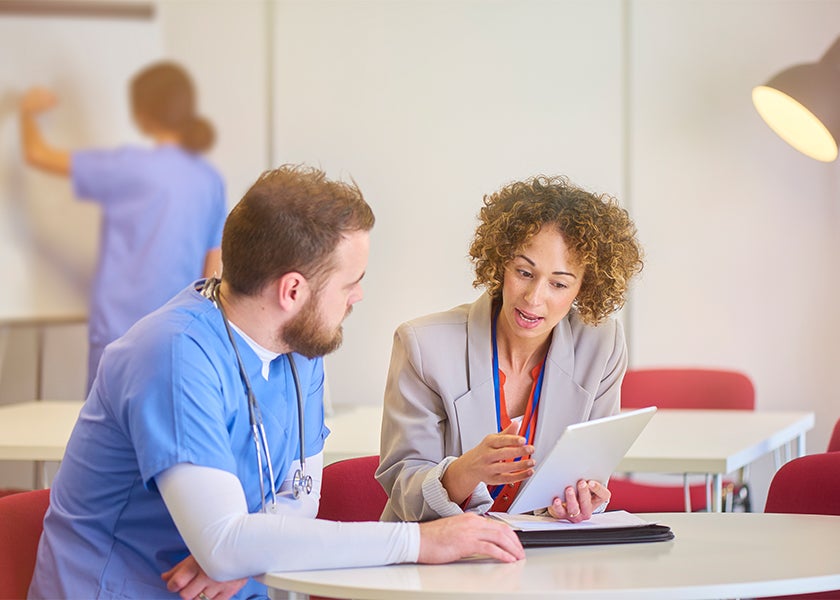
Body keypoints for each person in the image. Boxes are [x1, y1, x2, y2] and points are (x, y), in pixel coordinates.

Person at [28, 165, 524, 600]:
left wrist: (241, 550)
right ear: (292, 290)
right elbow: (225, 545)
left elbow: (299, 499)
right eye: (350, 282)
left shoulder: (300, 346)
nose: (359, 296)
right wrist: (422, 543)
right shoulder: (173, 355)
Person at [377, 175, 644, 524]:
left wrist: (577, 501)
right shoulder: (423, 345)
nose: (534, 299)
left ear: (584, 287)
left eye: (559, 283)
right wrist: (464, 472)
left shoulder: (601, 344)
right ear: (500, 262)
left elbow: (589, 475)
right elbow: (403, 487)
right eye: (524, 272)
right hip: (440, 556)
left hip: (543, 558)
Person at [19, 61, 227, 392]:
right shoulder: (210, 180)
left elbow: (36, 154)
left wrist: (26, 112)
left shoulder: (128, 168)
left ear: (142, 115)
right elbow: (211, 272)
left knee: (106, 435)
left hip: (118, 333)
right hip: (178, 335)